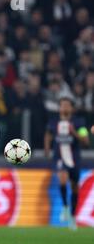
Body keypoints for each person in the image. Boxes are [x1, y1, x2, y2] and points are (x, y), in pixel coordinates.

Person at [44, 97, 90, 230]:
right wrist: (47, 148)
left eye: (67, 105)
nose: (64, 108)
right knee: (62, 180)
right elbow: (48, 134)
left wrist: (74, 133)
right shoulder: (53, 122)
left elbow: (86, 141)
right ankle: (64, 207)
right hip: (60, 158)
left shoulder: (78, 123)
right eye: (62, 105)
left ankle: (73, 216)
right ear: (59, 108)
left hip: (74, 159)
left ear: (71, 108)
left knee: (75, 187)